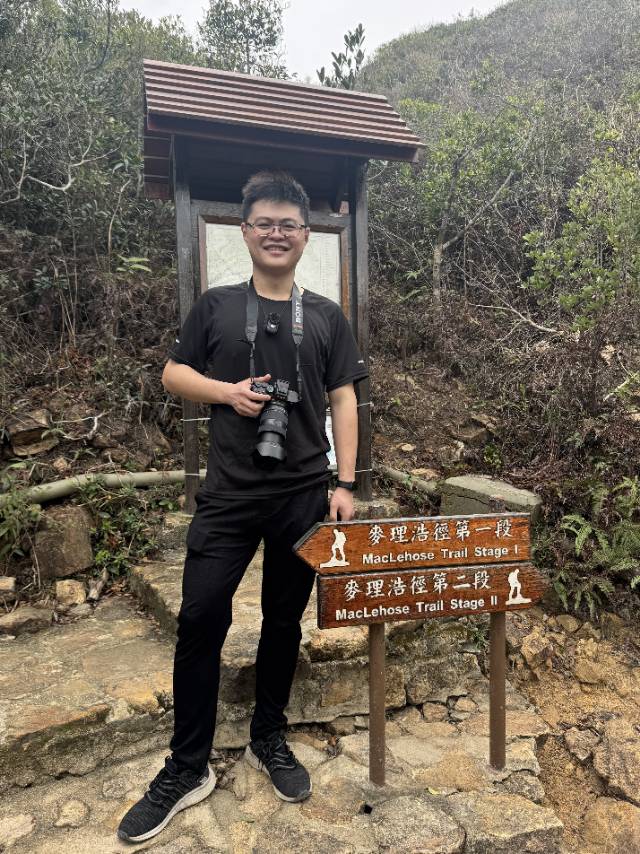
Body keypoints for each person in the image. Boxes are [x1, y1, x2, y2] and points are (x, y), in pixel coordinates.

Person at [117, 170, 367, 843]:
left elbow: (344, 398)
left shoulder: (326, 316)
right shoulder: (216, 306)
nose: (277, 233)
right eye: (265, 223)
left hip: (303, 493)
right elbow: (172, 373)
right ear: (246, 231)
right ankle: (186, 766)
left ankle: (268, 736)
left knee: (284, 621)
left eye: (289, 224)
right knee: (200, 618)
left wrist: (345, 484)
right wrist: (228, 393)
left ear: (306, 235)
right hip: (227, 495)